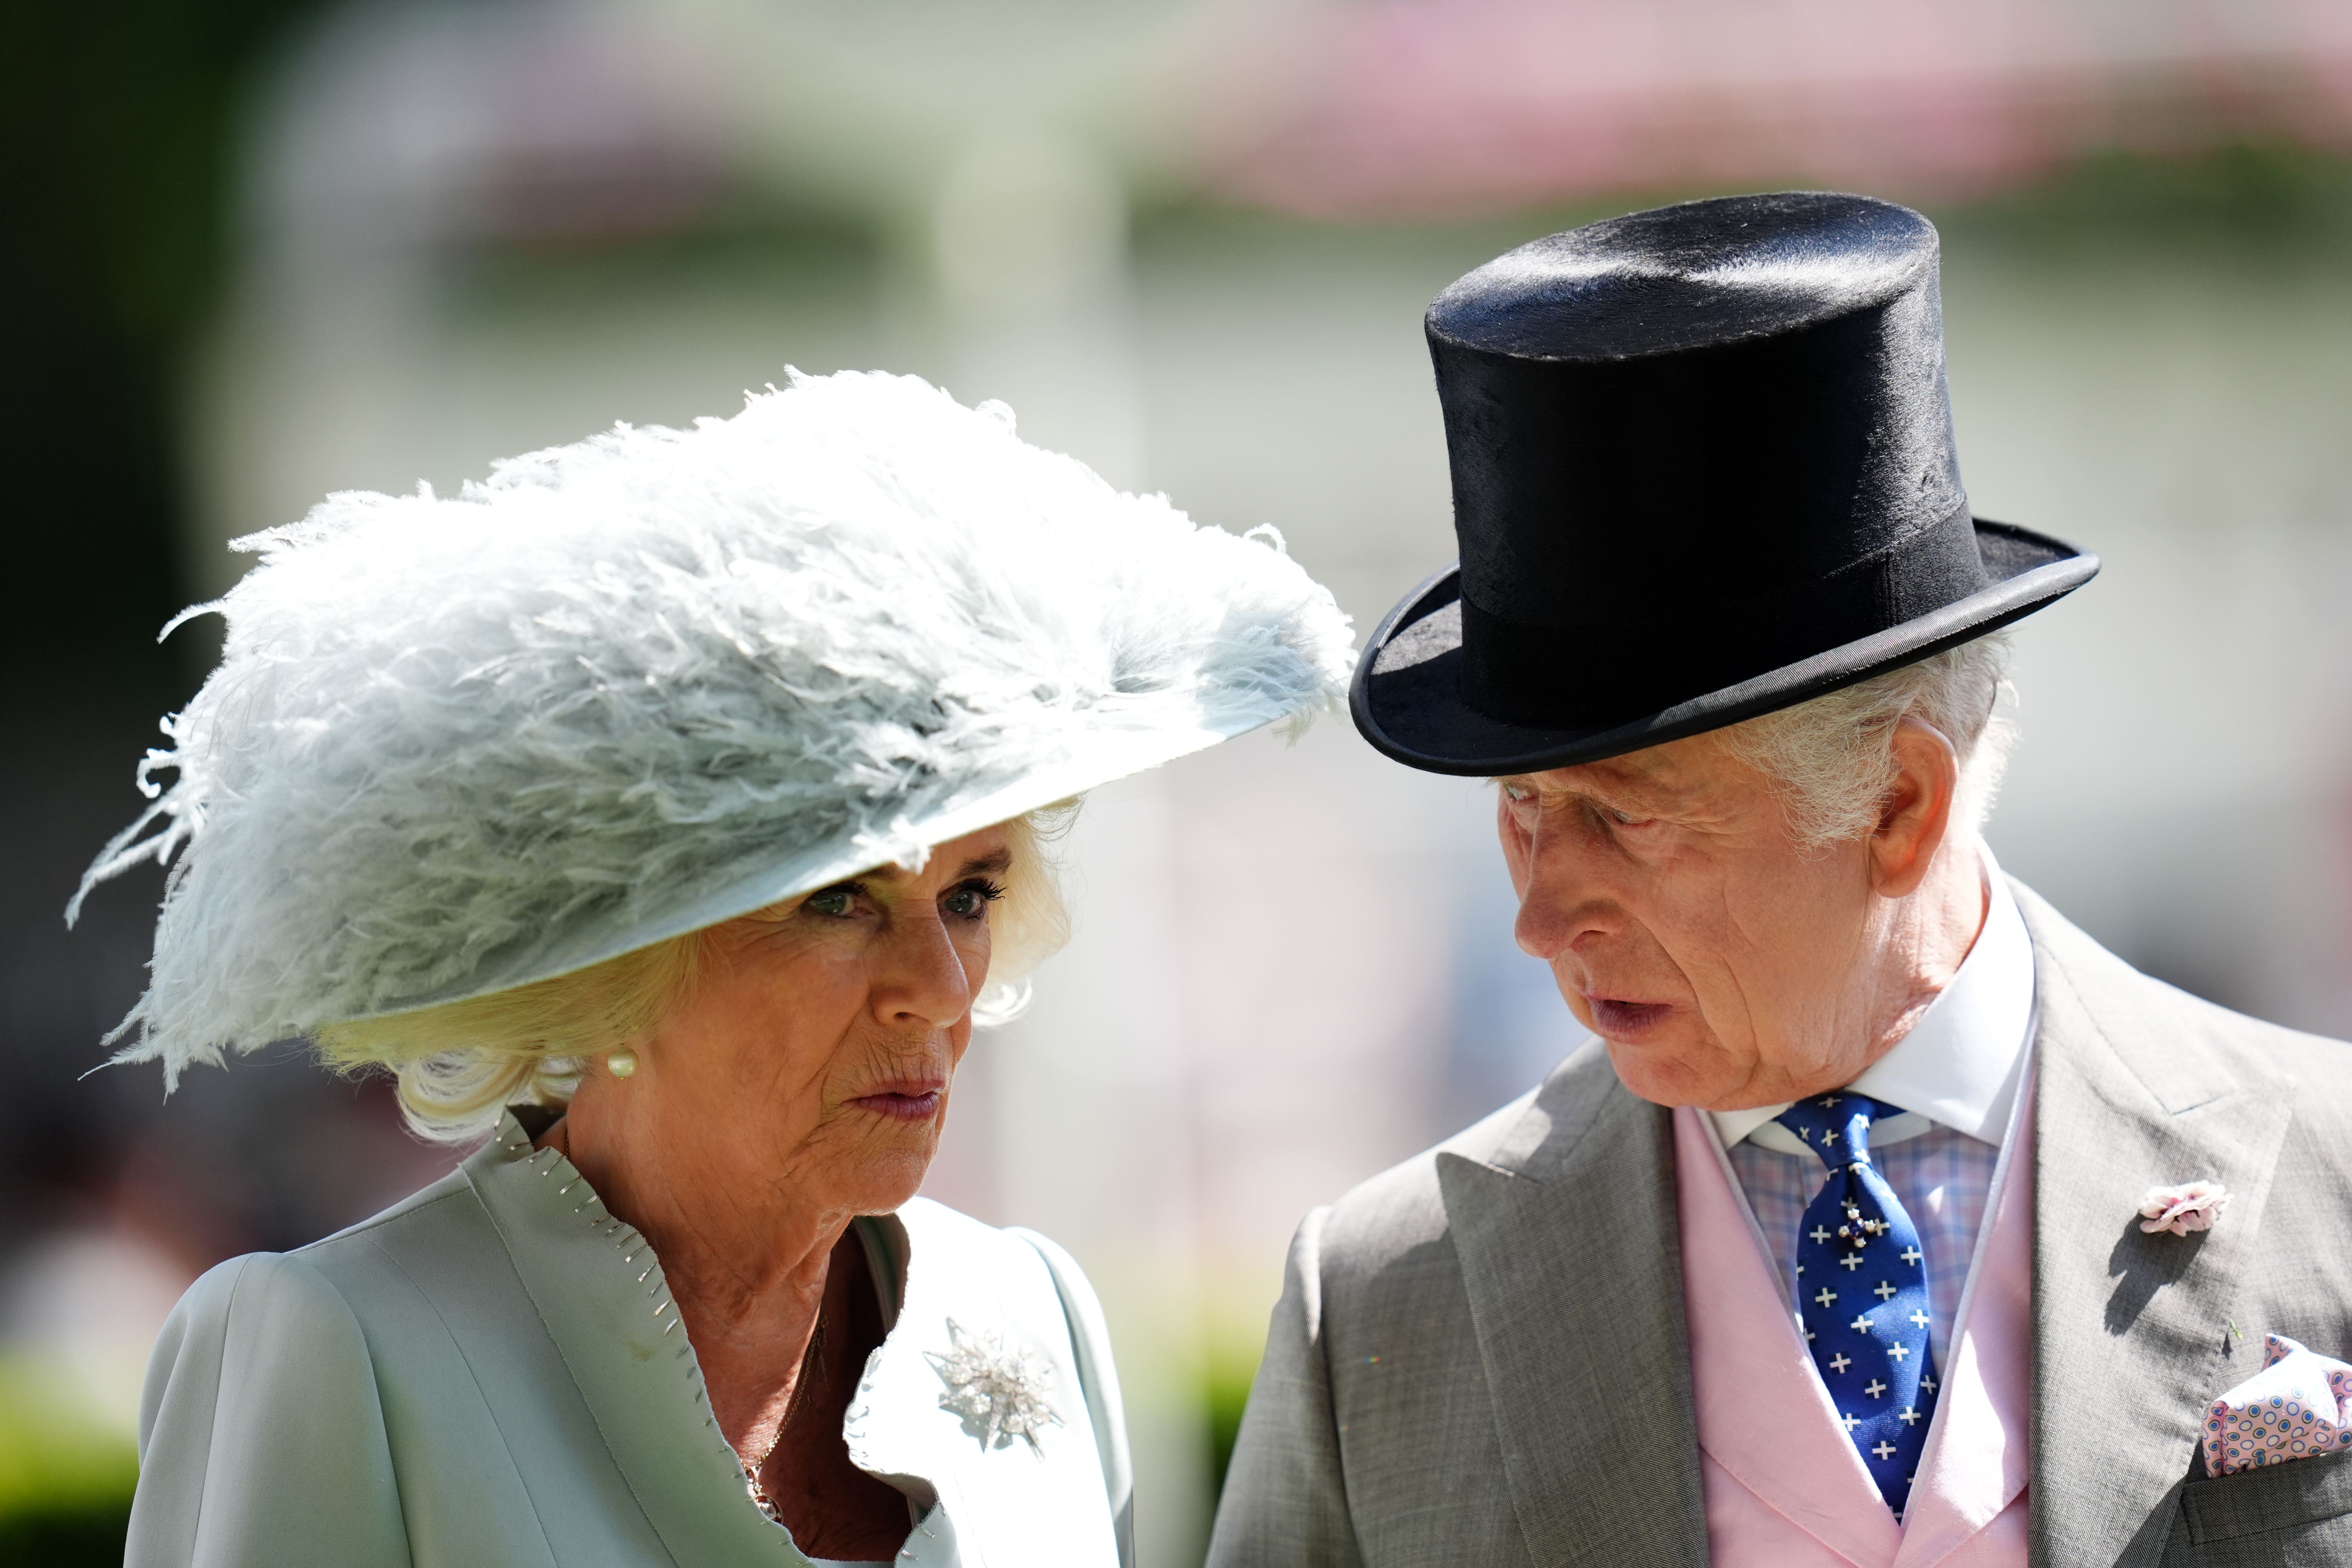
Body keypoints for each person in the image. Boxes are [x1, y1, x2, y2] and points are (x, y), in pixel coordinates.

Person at [1207, 193, 2352, 1566]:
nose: (1535, 917)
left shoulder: (2333, 1177)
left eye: (1625, 820)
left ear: (1900, 807)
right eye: (1522, 808)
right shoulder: (1384, 1304)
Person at [75, 370, 1354, 1568]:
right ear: (618, 948)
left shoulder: (1034, 1313)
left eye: (971, 893)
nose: (942, 988)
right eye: (841, 900)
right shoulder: (338, 1348)